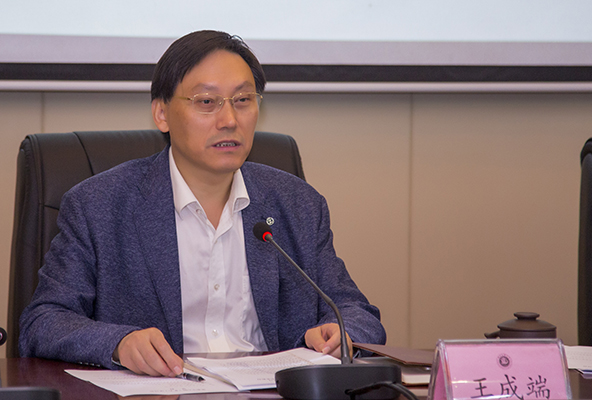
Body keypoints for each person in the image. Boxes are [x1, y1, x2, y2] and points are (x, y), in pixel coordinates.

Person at [19, 30, 386, 377]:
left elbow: (357, 312)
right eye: (206, 102)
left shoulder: (297, 205)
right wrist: (118, 344)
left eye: (243, 100)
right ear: (162, 114)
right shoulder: (99, 206)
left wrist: (339, 332)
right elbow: (43, 321)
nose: (229, 120)